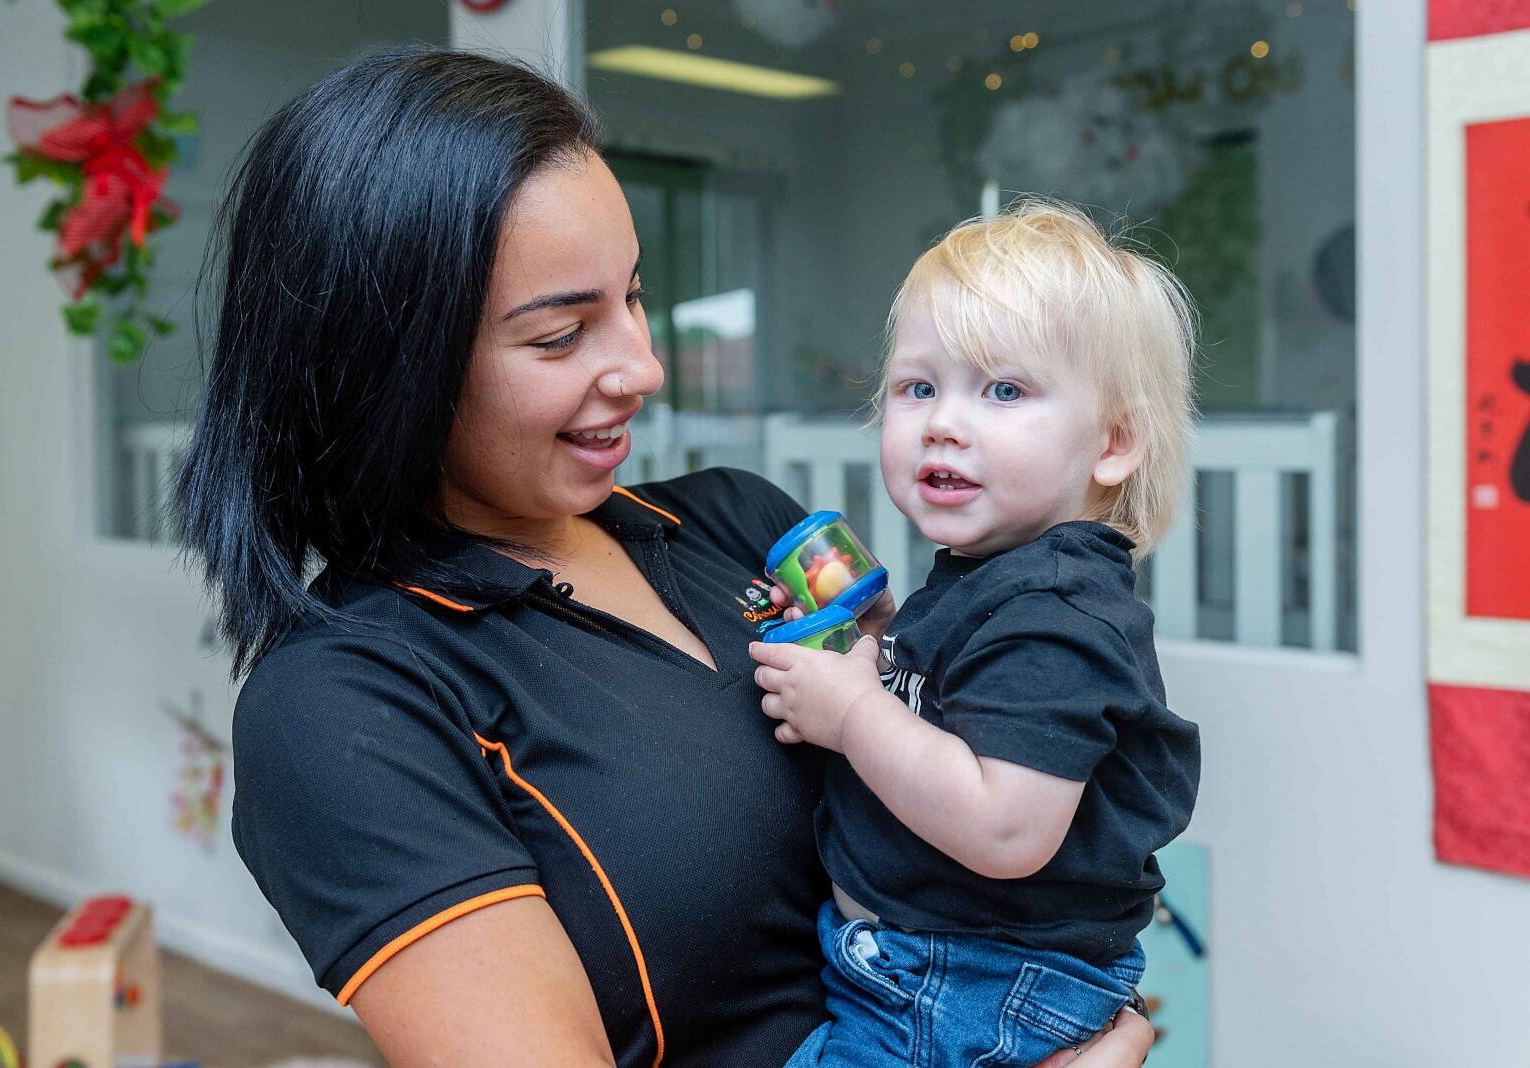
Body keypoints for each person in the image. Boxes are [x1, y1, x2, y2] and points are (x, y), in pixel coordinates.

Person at [173, 47, 1156, 1068]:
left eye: (633, 296)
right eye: (561, 335)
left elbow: (977, 734)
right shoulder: (343, 705)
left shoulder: (747, 522)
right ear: (392, 367)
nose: (642, 366)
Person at [750, 204, 1200, 1066]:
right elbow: (962, 713)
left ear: (1113, 443)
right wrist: (880, 646)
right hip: (932, 972)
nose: (943, 423)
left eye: (1004, 391)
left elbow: (1004, 829)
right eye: (918, 388)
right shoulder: (994, 578)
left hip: (967, 986)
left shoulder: (1056, 613)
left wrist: (852, 712)